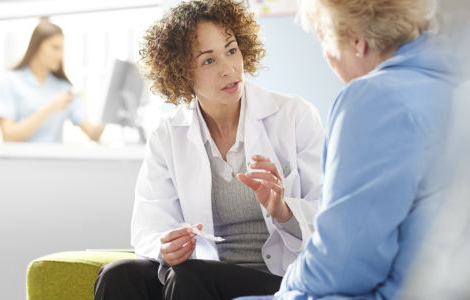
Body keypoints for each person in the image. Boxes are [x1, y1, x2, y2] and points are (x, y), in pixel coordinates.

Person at [93, 0, 324, 299]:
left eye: (231, 50)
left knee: (191, 277)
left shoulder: (295, 116)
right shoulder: (167, 135)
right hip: (198, 276)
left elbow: (328, 215)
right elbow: (149, 226)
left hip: (278, 278)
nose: (229, 68)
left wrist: (283, 210)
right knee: (119, 275)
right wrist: (166, 246)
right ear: (181, 73)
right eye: (208, 60)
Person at [237, 0, 458, 299]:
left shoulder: (374, 98)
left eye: (324, 41)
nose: (327, 57)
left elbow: (342, 263)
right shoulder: (451, 82)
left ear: (357, 42)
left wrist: (287, 286)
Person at [0, 20, 104, 143]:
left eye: (61, 49)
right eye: (55, 48)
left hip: (53, 161)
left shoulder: (64, 88)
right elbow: (9, 135)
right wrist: (49, 109)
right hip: (19, 161)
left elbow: (93, 134)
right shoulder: (10, 83)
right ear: (36, 47)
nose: (60, 55)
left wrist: (110, 105)